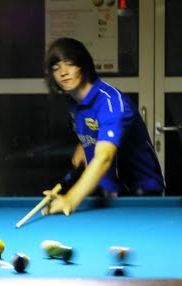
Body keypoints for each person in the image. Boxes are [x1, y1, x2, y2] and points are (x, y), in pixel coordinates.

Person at [41, 37, 165, 216]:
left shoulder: (111, 102)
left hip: (140, 191)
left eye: (70, 63)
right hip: (109, 188)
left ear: (83, 64)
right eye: (56, 67)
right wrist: (83, 145)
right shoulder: (73, 102)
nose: (63, 72)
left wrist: (71, 198)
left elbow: (104, 157)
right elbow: (96, 126)